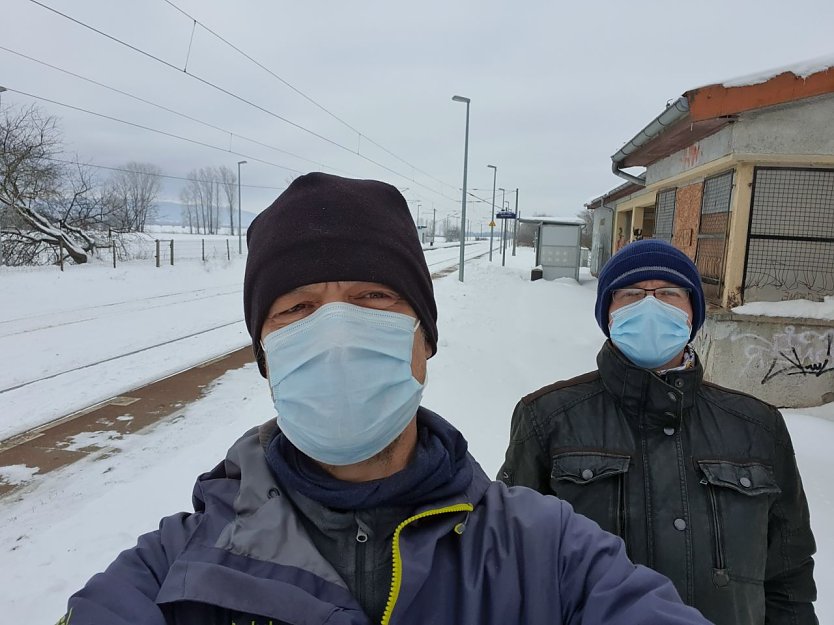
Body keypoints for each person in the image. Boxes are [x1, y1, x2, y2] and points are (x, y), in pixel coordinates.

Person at [60, 174, 711, 625]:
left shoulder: (547, 552)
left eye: (373, 298)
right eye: (298, 308)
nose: (337, 332)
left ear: (425, 339)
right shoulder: (174, 573)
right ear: (265, 357)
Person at [497, 239, 818, 625]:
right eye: (631, 294)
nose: (650, 306)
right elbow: (510, 562)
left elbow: (788, 576)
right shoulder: (547, 418)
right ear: (608, 314)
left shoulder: (757, 425)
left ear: (692, 312)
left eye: (668, 293)